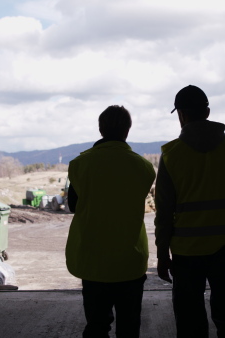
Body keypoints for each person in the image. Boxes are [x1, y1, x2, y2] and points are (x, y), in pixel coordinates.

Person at [154, 85, 225, 338]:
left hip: (186, 252)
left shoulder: (171, 155)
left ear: (181, 115)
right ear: (208, 111)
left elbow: (164, 213)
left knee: (190, 322)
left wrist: (161, 254)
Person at [65, 105, 156, 338]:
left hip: (93, 260)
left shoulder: (79, 164)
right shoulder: (144, 167)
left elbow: (74, 206)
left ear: (100, 128)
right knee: (129, 326)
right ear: (128, 130)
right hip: (130, 260)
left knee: (96, 326)